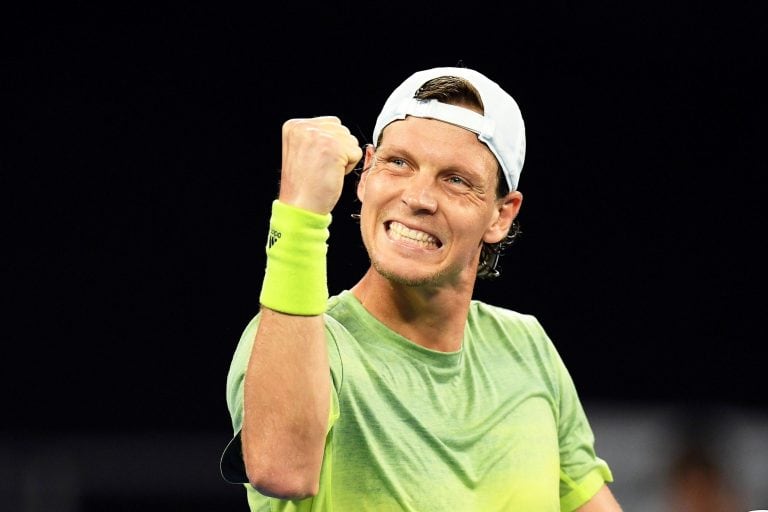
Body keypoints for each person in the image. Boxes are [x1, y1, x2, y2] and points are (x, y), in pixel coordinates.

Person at [220, 66, 622, 511]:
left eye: (456, 180)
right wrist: (300, 215)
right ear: (366, 172)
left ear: (501, 215)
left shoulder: (525, 346)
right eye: (399, 163)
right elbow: (282, 471)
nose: (418, 197)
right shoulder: (302, 339)